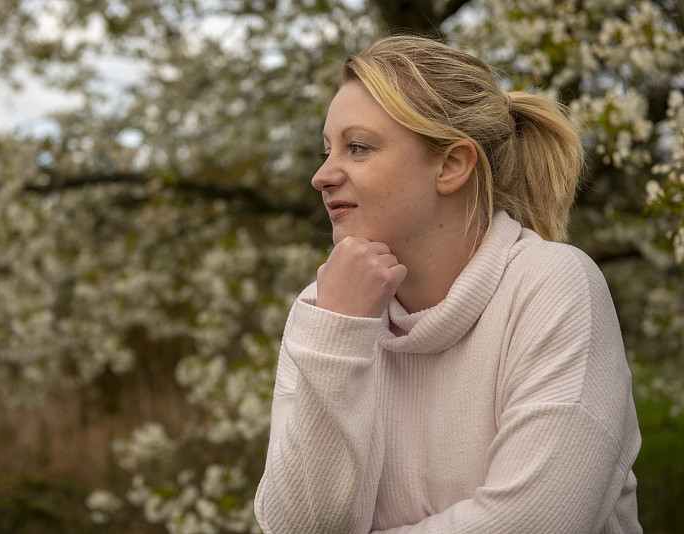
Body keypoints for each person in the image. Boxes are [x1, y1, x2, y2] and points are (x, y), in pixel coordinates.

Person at [254, 35, 642, 533]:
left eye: (357, 148)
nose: (322, 176)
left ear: (451, 166)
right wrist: (340, 331)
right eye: (327, 150)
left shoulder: (552, 286)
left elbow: (534, 523)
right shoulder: (324, 309)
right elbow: (298, 525)